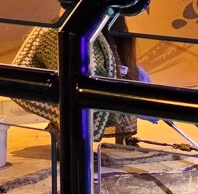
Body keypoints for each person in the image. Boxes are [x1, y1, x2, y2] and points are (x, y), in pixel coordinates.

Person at [10, 16, 147, 143]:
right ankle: (69, 137)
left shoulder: (116, 29)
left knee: (124, 79)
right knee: (79, 91)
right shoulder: (53, 33)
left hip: (105, 24)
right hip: (75, 33)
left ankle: (123, 137)